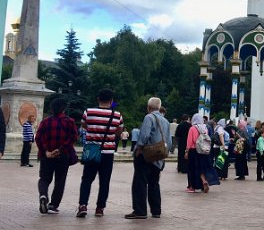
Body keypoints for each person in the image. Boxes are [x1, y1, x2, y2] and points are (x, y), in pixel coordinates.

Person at [76, 89, 123, 218]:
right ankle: (100, 208)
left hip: (92, 150)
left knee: (86, 179)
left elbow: (84, 126)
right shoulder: (117, 115)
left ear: (98, 99)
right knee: (104, 181)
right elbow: (119, 131)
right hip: (108, 152)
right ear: (111, 101)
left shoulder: (89, 112)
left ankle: (83, 205)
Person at [125, 97, 171, 219]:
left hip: (146, 155)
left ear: (148, 107)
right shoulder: (166, 121)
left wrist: (139, 148)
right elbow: (169, 141)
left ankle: (140, 211)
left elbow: (144, 135)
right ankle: (156, 210)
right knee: (154, 183)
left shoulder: (149, 117)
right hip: (159, 157)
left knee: (140, 182)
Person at [35, 98, 78, 214]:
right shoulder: (69, 121)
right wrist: (60, 149)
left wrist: (46, 151)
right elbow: (73, 138)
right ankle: (53, 205)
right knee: (60, 181)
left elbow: (38, 138)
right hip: (63, 156)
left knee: (44, 179)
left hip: (46, 156)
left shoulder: (45, 122)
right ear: (63, 108)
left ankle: (43, 195)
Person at [185, 113, 220, 193]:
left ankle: (192, 187)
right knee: (201, 168)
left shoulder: (192, 128)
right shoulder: (205, 127)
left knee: (192, 169)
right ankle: (203, 181)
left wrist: (187, 152)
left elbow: (189, 142)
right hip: (203, 151)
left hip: (194, 151)